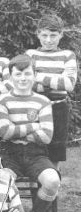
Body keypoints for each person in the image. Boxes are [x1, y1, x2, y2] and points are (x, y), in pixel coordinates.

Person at [0, 54, 61, 212]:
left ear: (35, 75)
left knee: (52, 180)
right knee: (3, 180)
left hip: (36, 153)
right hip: (10, 154)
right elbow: (5, 132)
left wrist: (17, 129)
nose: (23, 78)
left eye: (27, 74)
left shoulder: (43, 101)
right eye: (18, 74)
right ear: (10, 76)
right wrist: (34, 125)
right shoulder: (2, 100)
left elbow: (46, 136)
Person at [25, 15, 77, 169]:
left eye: (53, 35)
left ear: (61, 34)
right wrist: (55, 81)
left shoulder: (68, 55)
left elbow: (68, 84)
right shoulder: (30, 54)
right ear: (38, 34)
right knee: (33, 146)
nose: (48, 40)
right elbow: (26, 83)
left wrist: (39, 77)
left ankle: (52, 189)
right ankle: (36, 188)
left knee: (55, 151)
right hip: (33, 108)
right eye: (44, 35)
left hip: (58, 108)